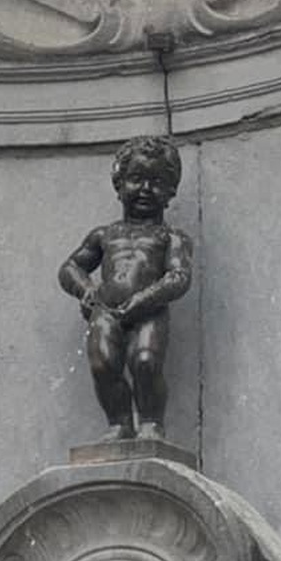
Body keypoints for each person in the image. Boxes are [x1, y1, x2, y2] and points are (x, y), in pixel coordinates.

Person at [58, 136, 193, 440]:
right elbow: (70, 267)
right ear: (119, 185)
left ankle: (151, 423)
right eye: (136, 179)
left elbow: (179, 276)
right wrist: (86, 290)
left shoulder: (172, 237)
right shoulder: (104, 235)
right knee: (103, 364)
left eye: (156, 182)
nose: (145, 189)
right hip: (106, 310)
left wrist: (144, 300)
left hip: (149, 312)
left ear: (170, 191)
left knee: (146, 362)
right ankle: (119, 423)